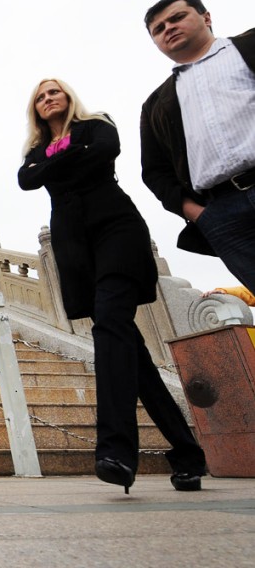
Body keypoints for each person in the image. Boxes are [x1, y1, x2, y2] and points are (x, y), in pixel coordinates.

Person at [18, 78, 206, 493]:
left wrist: (56, 161)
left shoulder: (97, 124)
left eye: (55, 91)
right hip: (74, 245)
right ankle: (188, 453)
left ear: (68, 97)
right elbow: (26, 180)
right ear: (35, 108)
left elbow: (105, 151)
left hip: (117, 229)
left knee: (109, 329)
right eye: (41, 96)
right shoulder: (34, 151)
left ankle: (116, 451)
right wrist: (67, 159)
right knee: (129, 351)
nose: (49, 98)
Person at [140, 0, 255, 292]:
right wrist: (198, 213)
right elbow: (155, 171)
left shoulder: (249, 46)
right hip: (223, 212)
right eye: (159, 29)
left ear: (206, 17)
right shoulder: (157, 103)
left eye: (177, 18)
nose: (169, 29)